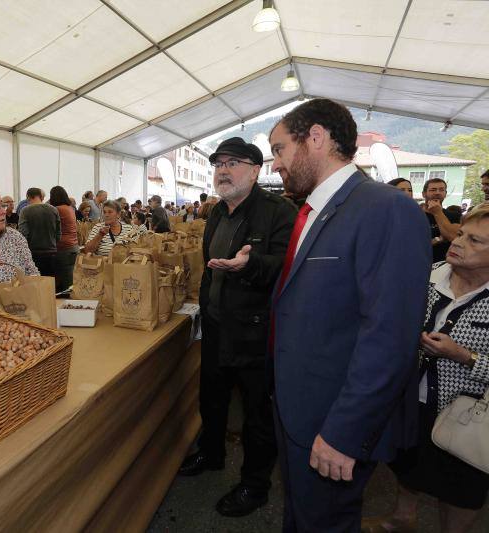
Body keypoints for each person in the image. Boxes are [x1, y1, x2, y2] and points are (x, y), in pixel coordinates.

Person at [267, 98, 431, 531]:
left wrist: (345, 432)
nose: (274, 165)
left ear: (316, 138)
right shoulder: (311, 213)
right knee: (301, 515)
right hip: (297, 409)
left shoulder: (384, 209)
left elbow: (390, 337)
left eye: (280, 149)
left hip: (333, 420)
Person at [180, 137, 295, 518]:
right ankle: (211, 454)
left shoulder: (279, 211)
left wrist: (251, 265)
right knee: (211, 400)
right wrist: (203, 310)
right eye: (218, 164)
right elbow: (209, 266)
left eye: (233, 163)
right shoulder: (216, 212)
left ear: (256, 169)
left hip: (255, 333)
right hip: (215, 327)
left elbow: (288, 267)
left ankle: (255, 485)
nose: (223, 170)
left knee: (257, 414)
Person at [362, 204, 489, 533]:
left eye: (476, 241)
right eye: (460, 234)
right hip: (412, 400)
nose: (459, 242)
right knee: (407, 465)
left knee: (461, 489)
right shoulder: (428, 275)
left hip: (469, 416)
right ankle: (402, 518)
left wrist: (465, 356)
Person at [18, 188, 60, 278]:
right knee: (50, 284)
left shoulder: (25, 211)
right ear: (41, 196)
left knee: (36, 285)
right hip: (51, 252)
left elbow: (23, 234)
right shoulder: (53, 210)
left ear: (28, 197)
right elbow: (58, 233)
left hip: (33, 253)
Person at [423, 178, 461, 263]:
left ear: (445, 194)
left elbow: (453, 237)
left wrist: (437, 212)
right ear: (424, 194)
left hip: (445, 264)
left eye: (441, 190)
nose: (437, 193)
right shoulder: (416, 215)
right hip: (420, 263)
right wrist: (438, 239)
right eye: (433, 190)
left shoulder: (455, 216)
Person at [49, 186, 78, 293]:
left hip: (63, 248)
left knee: (64, 284)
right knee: (70, 278)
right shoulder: (70, 208)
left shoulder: (57, 209)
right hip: (73, 246)